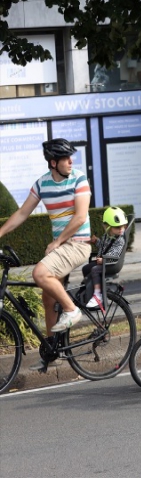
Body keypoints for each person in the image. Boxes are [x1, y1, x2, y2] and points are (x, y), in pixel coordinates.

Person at [0, 138, 92, 370]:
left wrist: (57, 241)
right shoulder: (42, 184)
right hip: (62, 247)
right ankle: (53, 352)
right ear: (53, 162)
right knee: (47, 297)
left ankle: (72, 310)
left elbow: (80, 217)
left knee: (40, 273)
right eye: (66, 158)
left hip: (78, 244)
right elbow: (22, 213)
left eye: (71, 157)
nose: (71, 161)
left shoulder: (79, 179)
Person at [82, 207, 128, 310]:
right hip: (104, 262)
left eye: (123, 227)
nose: (121, 230)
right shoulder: (108, 236)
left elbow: (115, 256)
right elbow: (103, 246)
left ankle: (98, 295)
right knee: (85, 269)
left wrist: (104, 260)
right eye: (118, 227)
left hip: (111, 264)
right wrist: (96, 241)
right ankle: (90, 289)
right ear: (107, 227)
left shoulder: (119, 240)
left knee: (94, 270)